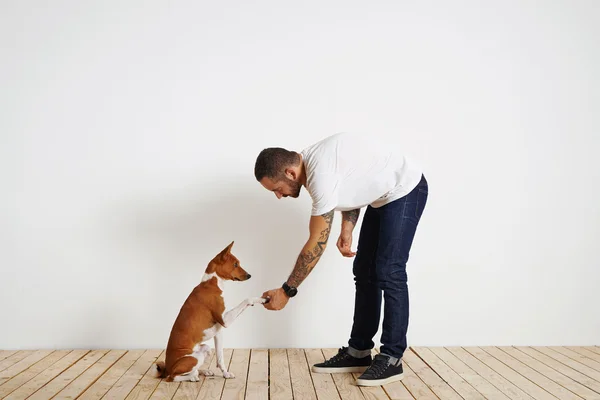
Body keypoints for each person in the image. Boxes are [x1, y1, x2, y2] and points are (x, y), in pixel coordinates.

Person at [254, 132, 428, 386]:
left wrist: (287, 291)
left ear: (290, 173)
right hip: (382, 198)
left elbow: (316, 244)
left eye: (277, 189)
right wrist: (348, 228)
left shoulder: (319, 177)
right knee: (365, 270)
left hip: (405, 189)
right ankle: (359, 352)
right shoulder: (316, 162)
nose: (278, 196)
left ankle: (392, 358)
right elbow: (353, 184)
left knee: (389, 270)